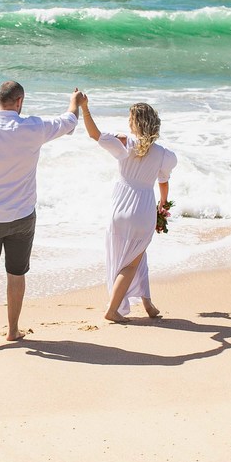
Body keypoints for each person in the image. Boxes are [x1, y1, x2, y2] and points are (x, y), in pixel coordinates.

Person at [0, 81, 83, 345]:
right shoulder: (33, 127)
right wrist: (75, 100)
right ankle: (13, 330)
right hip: (22, 216)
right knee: (16, 273)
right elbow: (69, 122)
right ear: (20, 101)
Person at [79, 95, 177, 323]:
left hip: (120, 207)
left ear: (136, 123)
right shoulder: (164, 154)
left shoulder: (124, 142)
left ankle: (147, 303)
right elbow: (163, 181)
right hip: (142, 208)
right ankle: (113, 310)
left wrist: (85, 108)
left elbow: (94, 134)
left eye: (130, 118)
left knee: (135, 256)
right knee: (132, 261)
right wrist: (162, 205)